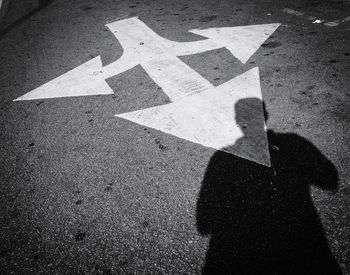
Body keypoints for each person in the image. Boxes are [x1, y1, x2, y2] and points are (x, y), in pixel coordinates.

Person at [196, 97, 341, 274]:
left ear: (238, 121)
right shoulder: (292, 143)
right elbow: (330, 179)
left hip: (244, 257)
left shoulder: (222, 158)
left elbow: (204, 223)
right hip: (301, 249)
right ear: (266, 116)